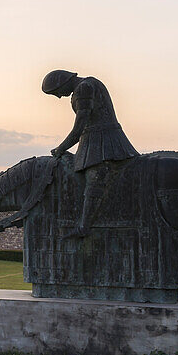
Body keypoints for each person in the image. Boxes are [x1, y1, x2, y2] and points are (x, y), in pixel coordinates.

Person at [42, 69, 139, 239]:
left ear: (62, 83)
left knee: (94, 179)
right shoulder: (85, 86)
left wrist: (61, 148)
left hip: (102, 140)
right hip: (93, 140)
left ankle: (84, 227)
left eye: (56, 93)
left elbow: (80, 126)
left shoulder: (84, 88)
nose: (58, 97)